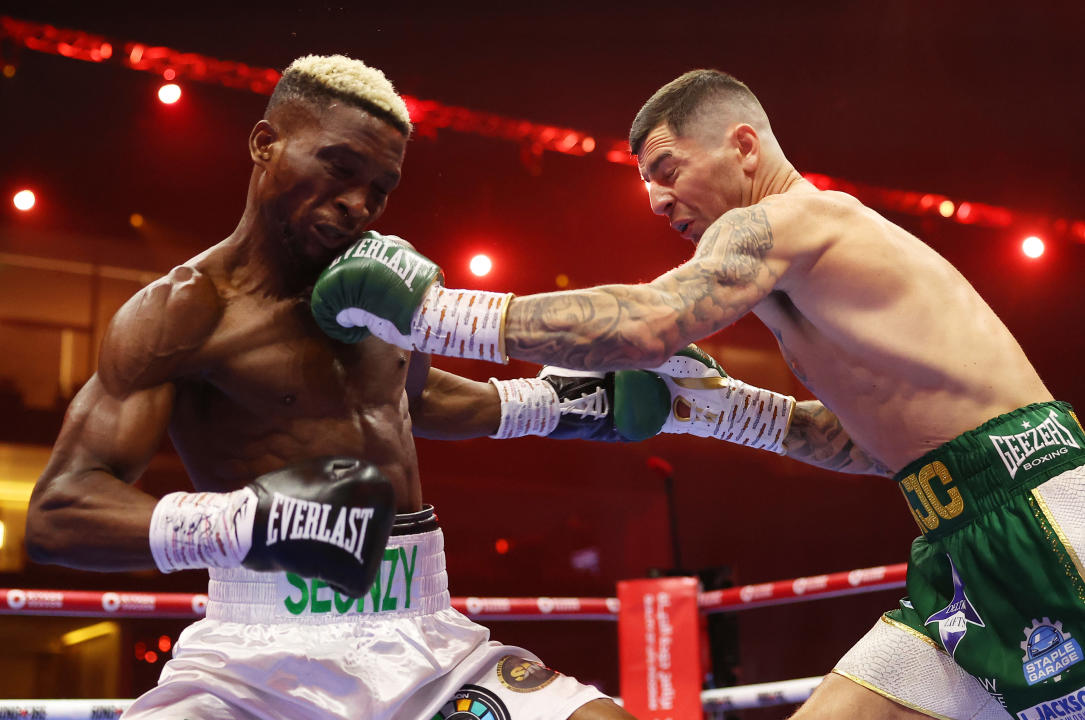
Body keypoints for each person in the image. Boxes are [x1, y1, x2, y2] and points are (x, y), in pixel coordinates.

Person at [315, 69, 1085, 720]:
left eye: (667, 169)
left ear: (742, 145)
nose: (654, 199)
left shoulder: (791, 220)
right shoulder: (804, 277)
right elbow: (876, 445)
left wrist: (430, 314)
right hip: (957, 537)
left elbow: (650, 324)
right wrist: (719, 409)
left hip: (1046, 510)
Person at [24, 54, 639, 720]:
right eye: (340, 168)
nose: (358, 205)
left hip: (423, 641)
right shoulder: (183, 312)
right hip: (250, 665)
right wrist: (241, 523)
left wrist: (551, 404)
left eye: (381, 186)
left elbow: (411, 399)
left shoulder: (378, 283)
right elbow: (59, 512)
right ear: (266, 143)